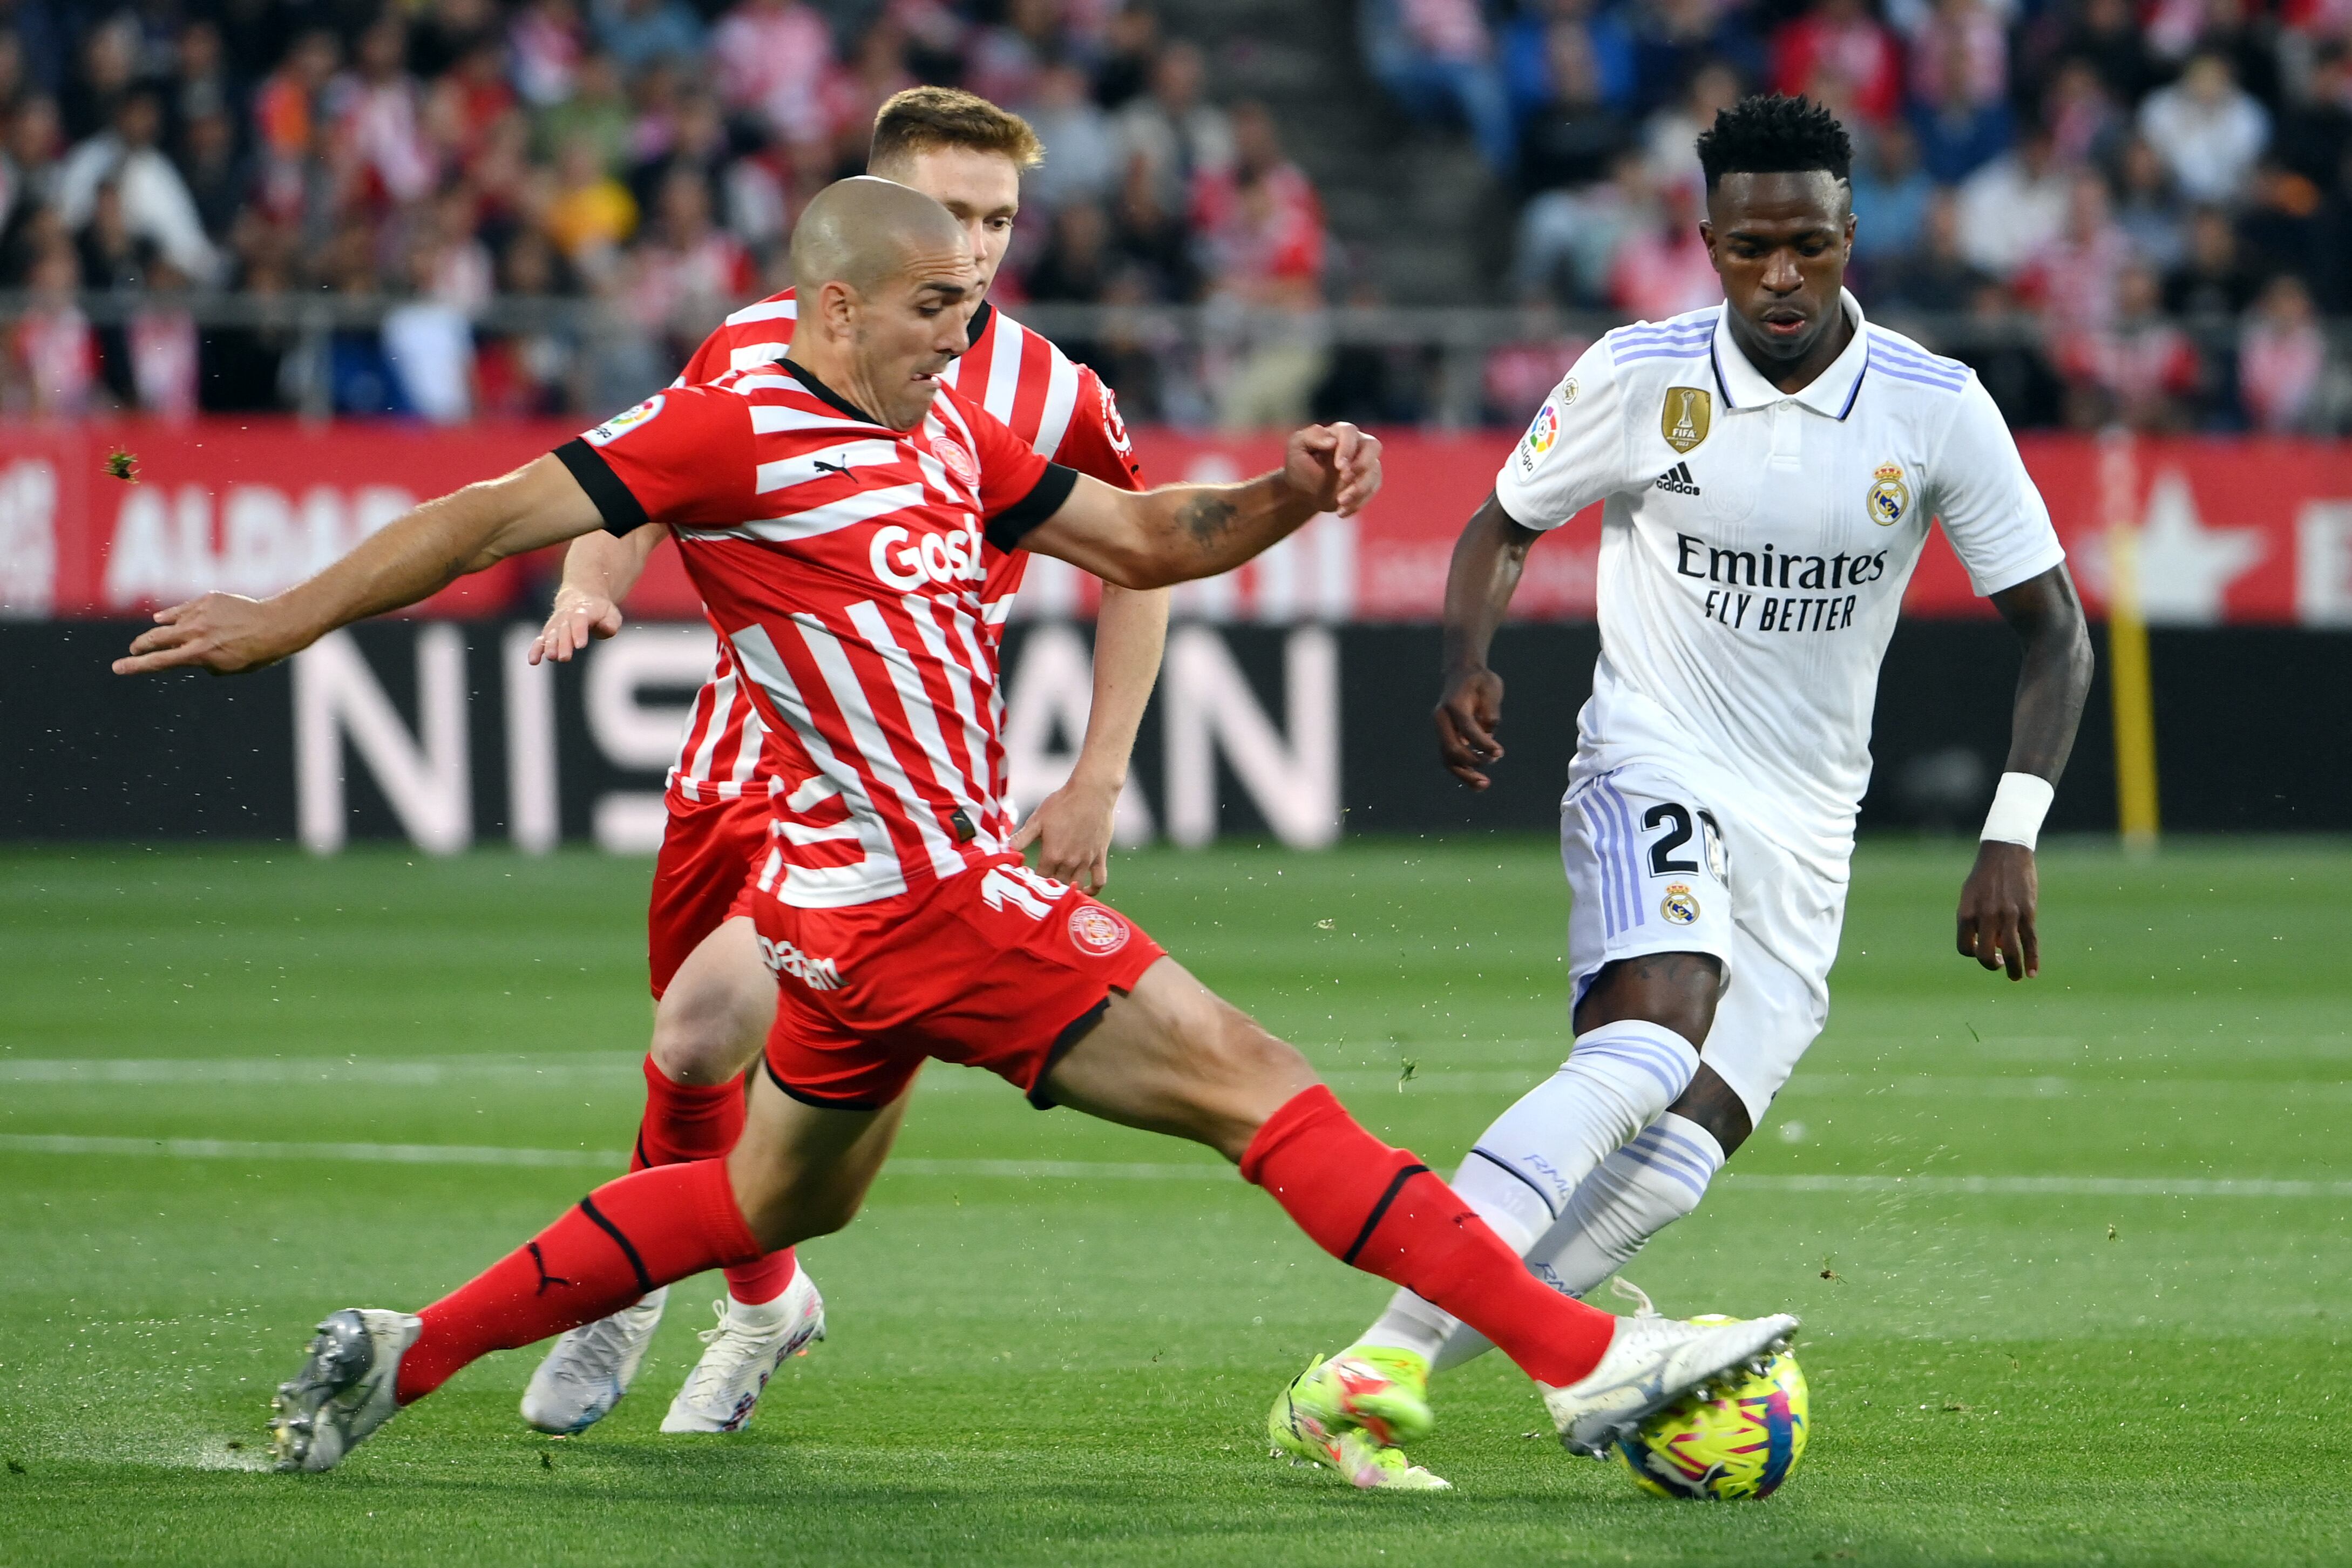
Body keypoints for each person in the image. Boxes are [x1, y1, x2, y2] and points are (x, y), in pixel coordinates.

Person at [116, 175, 1798, 1481]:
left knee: (771, 1205)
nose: (957, 334)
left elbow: (1140, 539)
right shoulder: (729, 426)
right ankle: (1585, 1363)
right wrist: (287, 616)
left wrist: (1289, 491)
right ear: (830, 303)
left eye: (974, 304)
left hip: (848, 920)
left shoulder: (943, 433)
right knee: (1261, 1085)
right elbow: (493, 511)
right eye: (934, 305)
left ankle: (402, 1357)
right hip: (926, 895)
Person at [1267, 93, 2090, 1490]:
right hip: (1645, 757)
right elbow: (1498, 527)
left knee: (1675, 1156)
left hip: (1807, 821)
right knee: (1647, 1044)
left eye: (1810, 246)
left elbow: (2053, 630)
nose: (1781, 275)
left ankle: (1365, 1367)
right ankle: (1401, 1371)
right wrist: (1463, 662)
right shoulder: (1637, 374)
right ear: (1704, 242)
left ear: (1848, 240)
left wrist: (2007, 833)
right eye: (1751, 247)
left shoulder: (1932, 406)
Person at [516, 86, 1175, 1438]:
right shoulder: (762, 343)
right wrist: (594, 580)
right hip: (736, 753)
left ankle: (623, 1287)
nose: (979, 248)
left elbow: (1138, 561)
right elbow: (630, 485)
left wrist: (1098, 773)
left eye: (999, 220)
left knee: (711, 1032)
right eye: (949, 216)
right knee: (694, 1070)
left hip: (899, 797)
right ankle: (760, 1301)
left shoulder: (1054, 390)